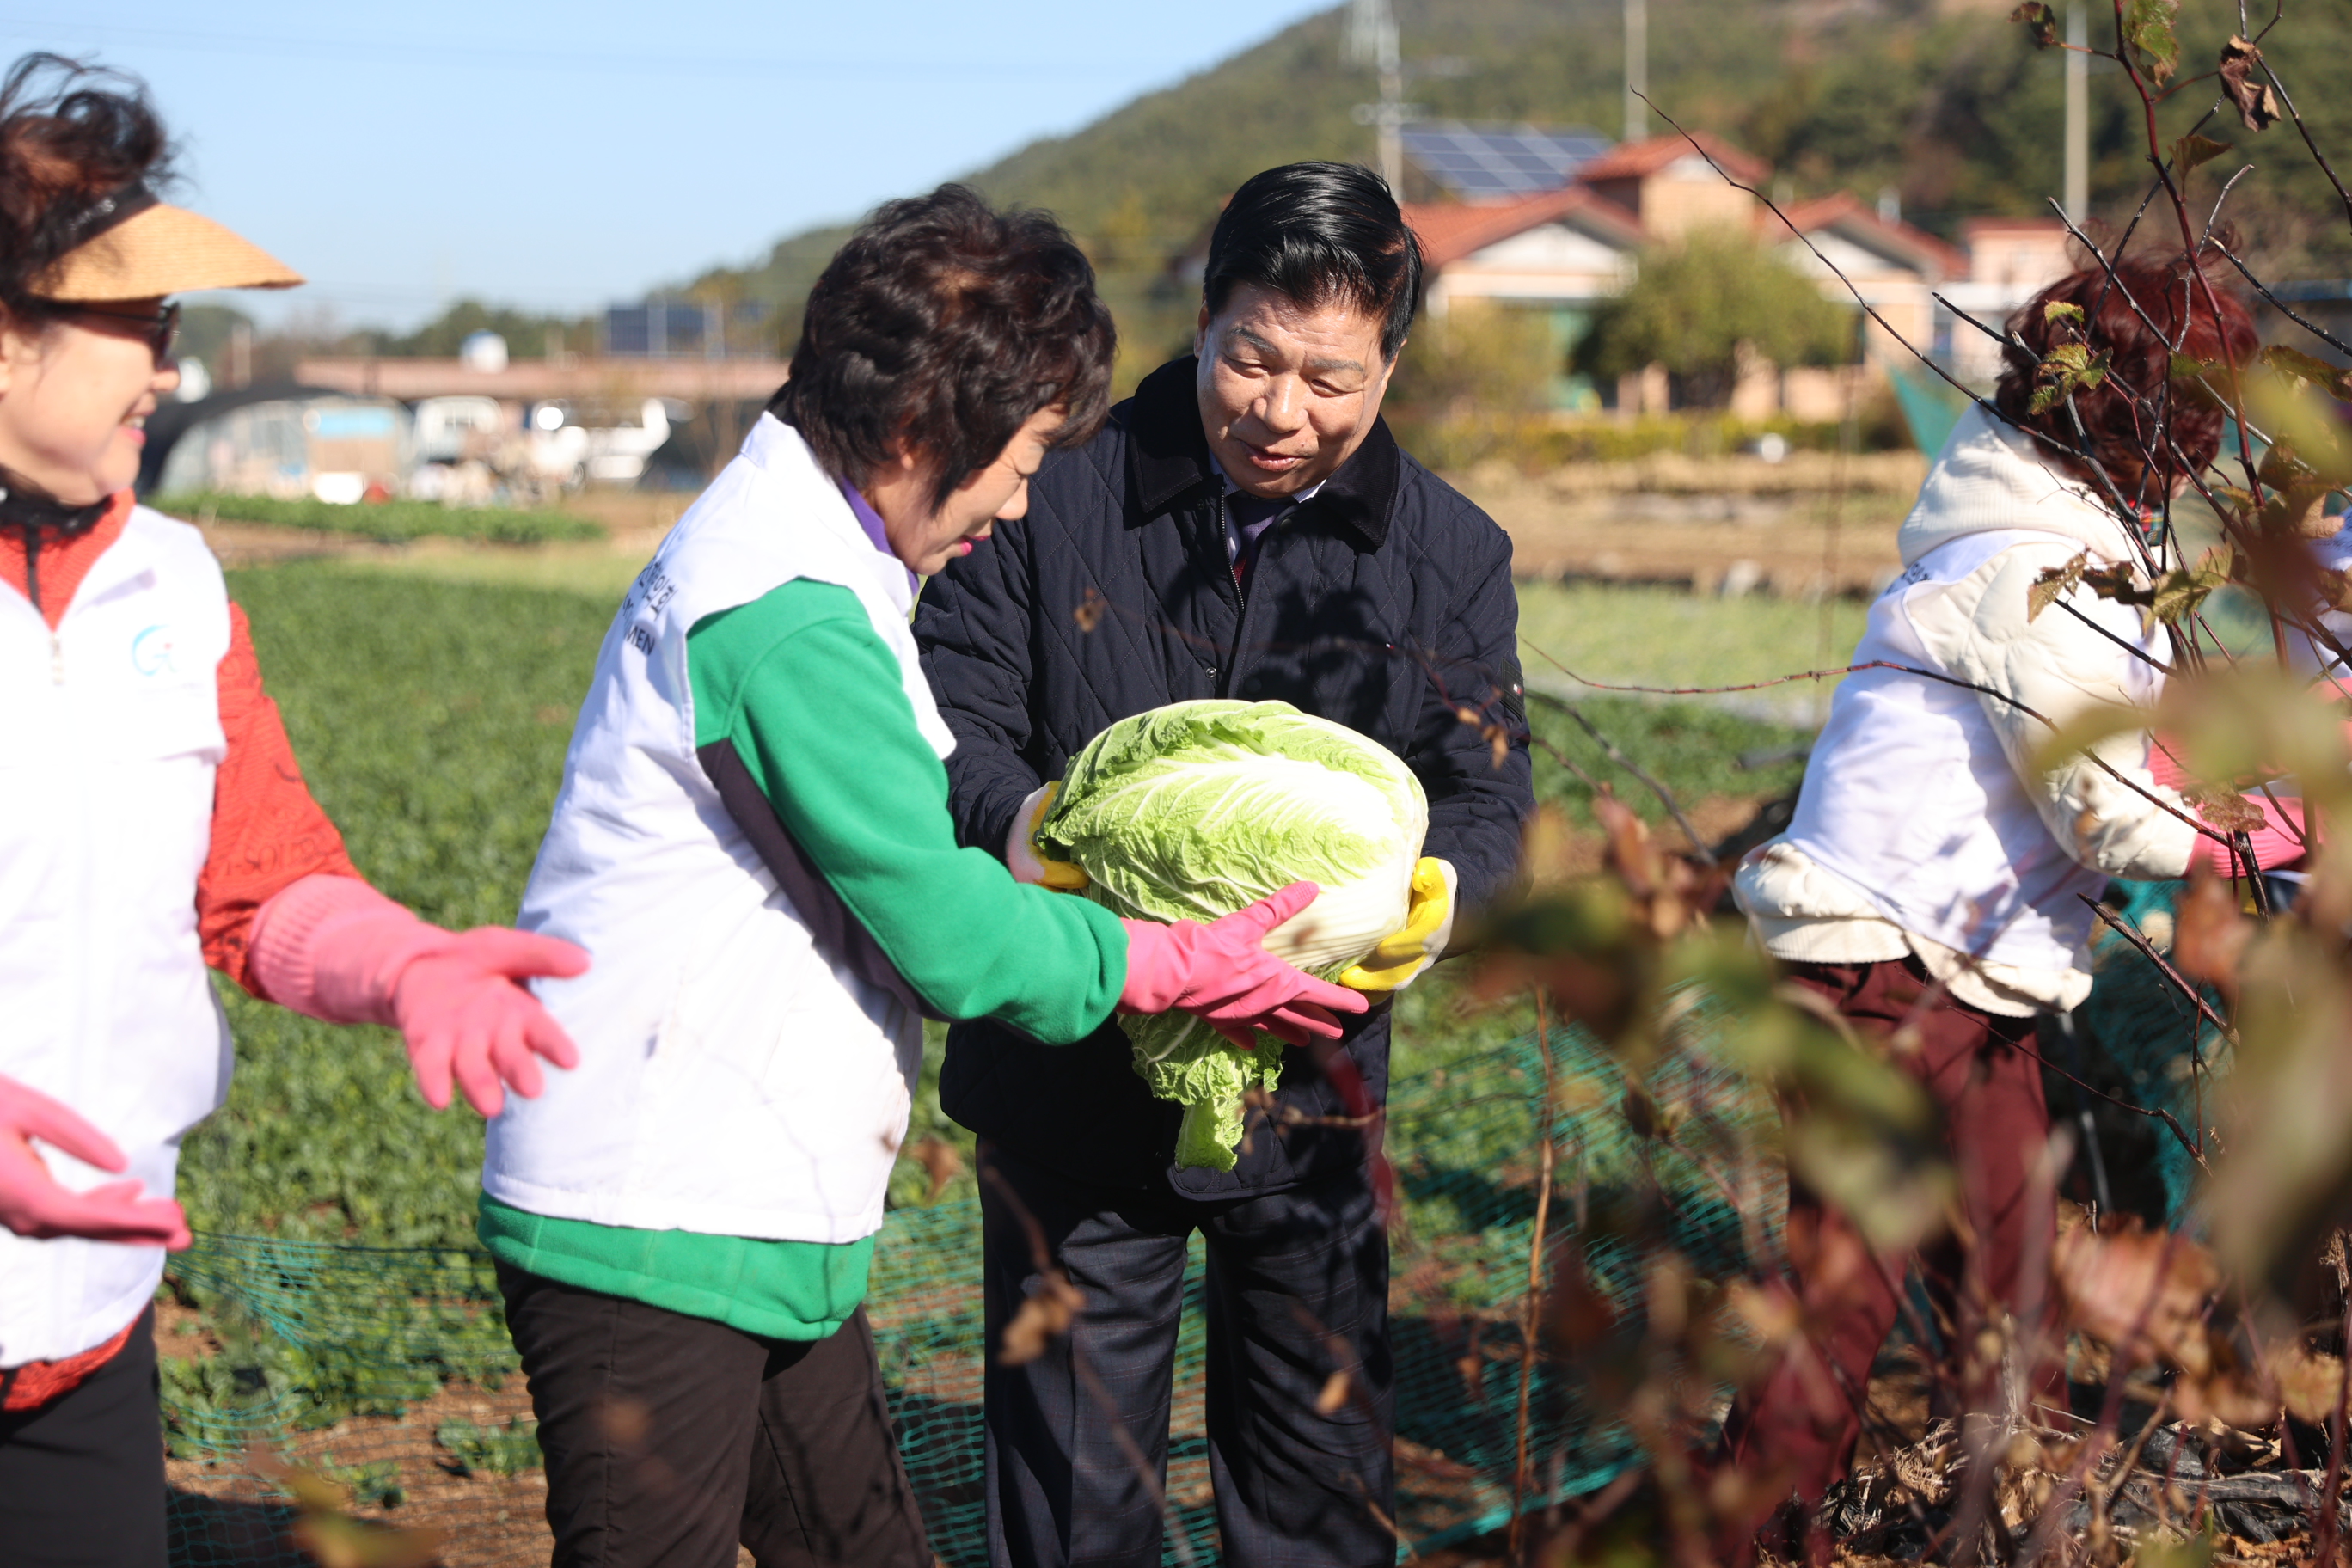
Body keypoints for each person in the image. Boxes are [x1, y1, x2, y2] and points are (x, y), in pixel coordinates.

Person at [483, 184, 1364, 1568]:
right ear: (916, 434)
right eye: (1017, 459)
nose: (1021, 503)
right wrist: (1168, 958)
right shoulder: (783, 612)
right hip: (649, 1221)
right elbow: (946, 933)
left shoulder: (816, 557)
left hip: (755, 1205)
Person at [0, 54, 590, 1567]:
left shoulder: (174, 584)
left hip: (81, 1328)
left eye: (171, 327)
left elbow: (257, 887)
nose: (169, 369)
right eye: (135, 325)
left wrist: (405, 963)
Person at [912, 162, 1534, 1568]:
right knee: (1076, 1504)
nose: (1282, 410)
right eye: (1252, 357)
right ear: (1201, 320)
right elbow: (951, 726)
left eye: (1333, 378)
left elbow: (1490, 802)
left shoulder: (1446, 554)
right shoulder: (1052, 496)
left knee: (1314, 1490)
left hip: (1312, 1089)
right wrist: (1059, 864)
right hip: (1073, 1061)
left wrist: (1418, 917)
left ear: (1390, 363)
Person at [1717, 252, 2294, 1553]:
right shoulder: (2026, 570)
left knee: (2009, 1290)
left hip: (1960, 979)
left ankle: (2004, 1528)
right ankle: (1739, 1539)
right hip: (1877, 970)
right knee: (1849, 1299)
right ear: (2153, 419)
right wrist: (2260, 842)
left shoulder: (2061, 549)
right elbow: (2101, 806)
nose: (2204, 458)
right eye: (2200, 422)